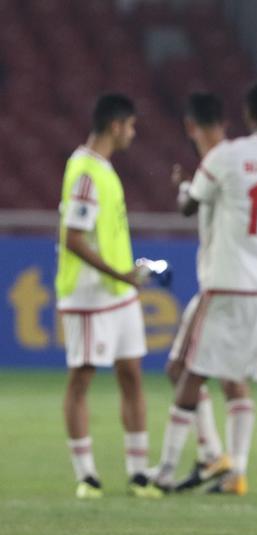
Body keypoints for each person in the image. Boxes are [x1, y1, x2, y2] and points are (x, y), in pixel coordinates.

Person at [150, 81, 257, 498]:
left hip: (231, 285)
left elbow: (191, 205)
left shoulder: (227, 156)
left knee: (193, 375)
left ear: (246, 114)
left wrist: (184, 188)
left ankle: (167, 469)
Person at [57, 93, 161, 499]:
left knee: (131, 375)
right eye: (131, 126)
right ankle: (87, 476)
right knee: (81, 378)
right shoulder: (84, 171)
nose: (132, 134)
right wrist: (119, 272)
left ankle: (137, 473)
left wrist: (126, 275)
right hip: (88, 294)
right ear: (116, 125)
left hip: (119, 292)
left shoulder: (102, 169)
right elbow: (74, 239)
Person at [166, 92, 239, 490]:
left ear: (190, 126)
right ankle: (223, 462)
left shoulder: (214, 163)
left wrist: (182, 189)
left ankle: (214, 459)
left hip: (220, 283)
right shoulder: (237, 162)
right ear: (224, 123)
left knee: (181, 368)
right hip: (238, 282)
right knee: (225, 375)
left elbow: (187, 207)